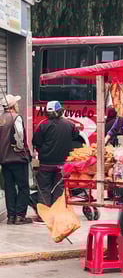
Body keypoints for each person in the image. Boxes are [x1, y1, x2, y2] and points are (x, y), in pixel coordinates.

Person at [32, 101, 79, 207]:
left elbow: (36, 141)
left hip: (45, 164)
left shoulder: (42, 125)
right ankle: (57, 212)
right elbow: (76, 135)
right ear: (60, 111)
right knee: (59, 188)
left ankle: (43, 215)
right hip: (63, 164)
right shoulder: (69, 124)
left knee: (44, 189)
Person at [0, 94, 32, 224]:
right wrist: (22, 150)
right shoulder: (16, 118)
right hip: (17, 158)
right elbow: (19, 137)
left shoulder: (0, 119)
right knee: (23, 187)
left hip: (4, 159)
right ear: (13, 106)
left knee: (9, 187)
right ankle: (20, 216)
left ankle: (11, 216)